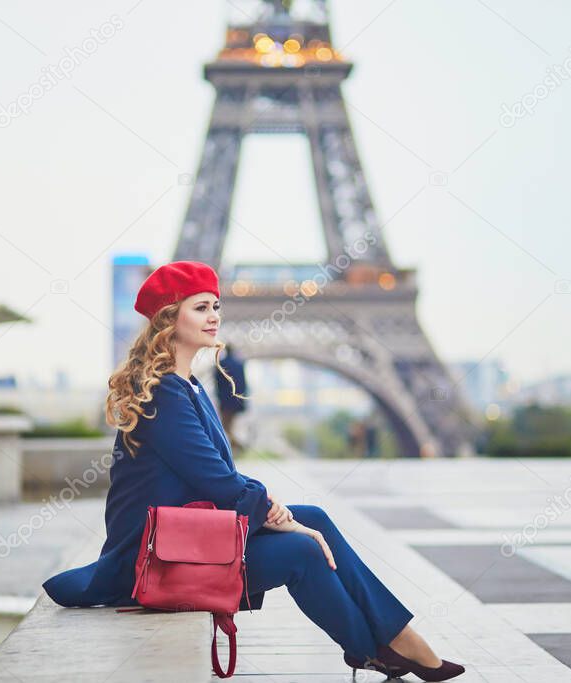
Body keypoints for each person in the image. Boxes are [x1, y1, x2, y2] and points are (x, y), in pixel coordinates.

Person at [40, 261, 465, 681]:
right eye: (200, 307)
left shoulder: (186, 385)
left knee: (313, 518)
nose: (214, 317)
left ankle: (395, 638)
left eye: (216, 306)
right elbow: (217, 481)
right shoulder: (164, 393)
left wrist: (277, 510)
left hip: (184, 539)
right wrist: (274, 511)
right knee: (302, 550)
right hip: (154, 560)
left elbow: (217, 480)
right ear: (169, 319)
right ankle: (376, 649)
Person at [215, 343, 248, 452]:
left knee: (225, 426)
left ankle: (236, 445)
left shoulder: (221, 364)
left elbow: (218, 384)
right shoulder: (239, 364)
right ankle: (234, 446)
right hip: (236, 400)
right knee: (229, 426)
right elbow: (243, 383)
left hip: (225, 400)